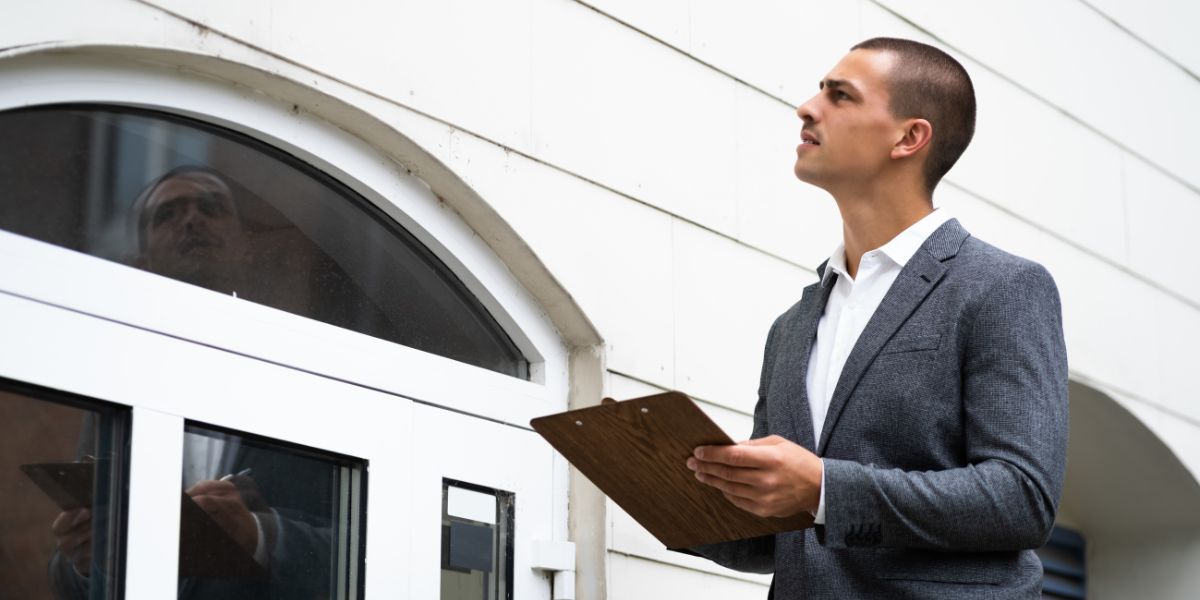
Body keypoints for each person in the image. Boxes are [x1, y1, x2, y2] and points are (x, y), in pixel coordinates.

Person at [684, 37, 1068, 598]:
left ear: (909, 137)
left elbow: (1021, 498)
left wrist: (824, 489)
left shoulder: (1003, 287)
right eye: (819, 91)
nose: (807, 108)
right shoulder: (791, 326)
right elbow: (785, 532)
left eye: (840, 96)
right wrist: (667, 493)